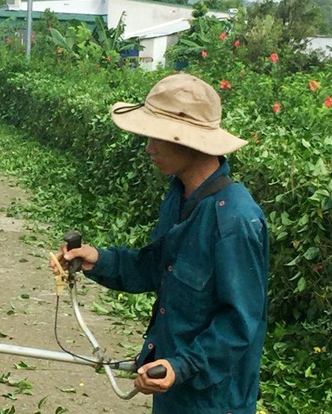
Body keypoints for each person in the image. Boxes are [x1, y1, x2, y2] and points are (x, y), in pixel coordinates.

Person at [52, 74, 269, 414]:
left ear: (189, 141)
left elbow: (241, 323)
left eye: (157, 137)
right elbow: (157, 267)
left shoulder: (236, 220)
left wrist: (183, 366)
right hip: (171, 390)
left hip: (213, 401)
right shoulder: (178, 196)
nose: (149, 147)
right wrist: (96, 259)